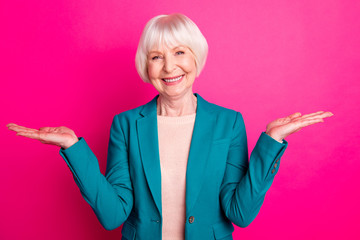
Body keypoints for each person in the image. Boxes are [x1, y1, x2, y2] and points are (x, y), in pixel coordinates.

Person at [6, 13, 333, 240]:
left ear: (196, 58)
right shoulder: (126, 125)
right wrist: (73, 148)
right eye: (156, 56)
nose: (170, 66)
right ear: (145, 66)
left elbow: (240, 213)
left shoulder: (228, 123)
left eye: (179, 52)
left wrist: (271, 142)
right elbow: (113, 216)